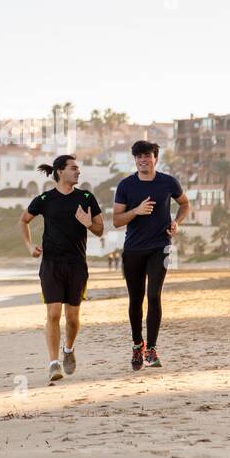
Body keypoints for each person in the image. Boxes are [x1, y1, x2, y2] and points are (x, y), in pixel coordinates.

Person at [20, 155, 103, 383]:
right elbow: (23, 220)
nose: (78, 172)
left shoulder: (86, 197)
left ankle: (68, 349)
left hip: (77, 264)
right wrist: (29, 245)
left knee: (73, 318)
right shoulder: (45, 199)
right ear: (59, 172)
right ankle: (53, 363)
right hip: (51, 264)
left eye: (78, 168)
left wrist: (88, 223)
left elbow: (100, 229)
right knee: (53, 313)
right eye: (74, 168)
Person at [111, 140, 190, 371]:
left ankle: (151, 348)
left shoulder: (168, 182)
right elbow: (116, 220)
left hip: (161, 247)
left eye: (146, 155)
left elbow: (184, 204)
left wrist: (176, 221)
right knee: (136, 299)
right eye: (138, 157)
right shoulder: (126, 185)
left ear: (156, 158)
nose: (142, 160)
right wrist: (135, 211)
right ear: (134, 160)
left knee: (154, 296)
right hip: (133, 249)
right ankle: (137, 345)